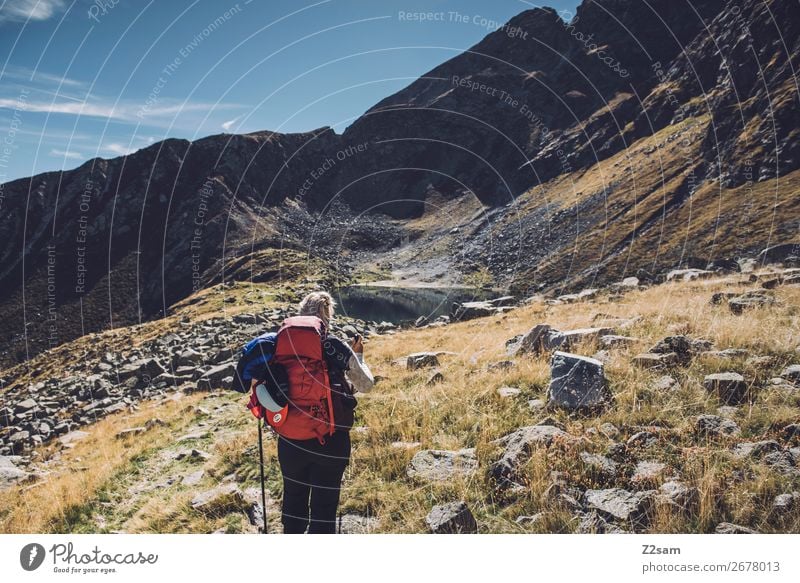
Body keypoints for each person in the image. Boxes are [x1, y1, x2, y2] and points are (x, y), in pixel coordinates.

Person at [277, 291, 374, 534]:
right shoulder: (333, 346)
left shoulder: (280, 344)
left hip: (290, 441)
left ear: (301, 313)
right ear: (327, 316)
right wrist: (358, 355)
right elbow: (365, 385)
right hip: (330, 441)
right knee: (324, 508)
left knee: (293, 500)